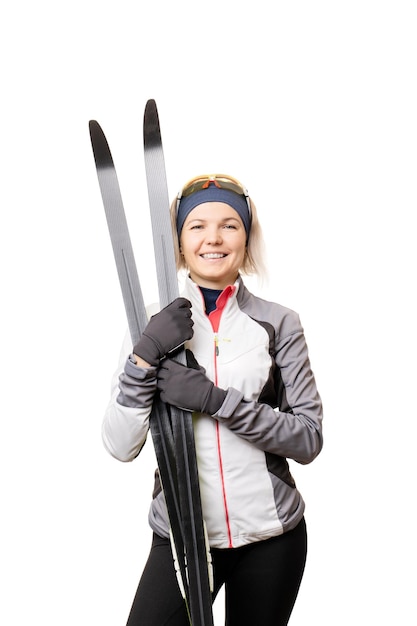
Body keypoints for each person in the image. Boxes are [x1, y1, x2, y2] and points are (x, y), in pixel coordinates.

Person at [102, 174, 323, 625]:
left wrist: (216, 400)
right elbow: (120, 445)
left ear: (246, 238)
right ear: (179, 243)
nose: (214, 238)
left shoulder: (279, 324)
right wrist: (144, 356)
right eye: (197, 226)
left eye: (230, 225)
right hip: (180, 532)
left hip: (271, 537)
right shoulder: (147, 323)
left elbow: (308, 439)